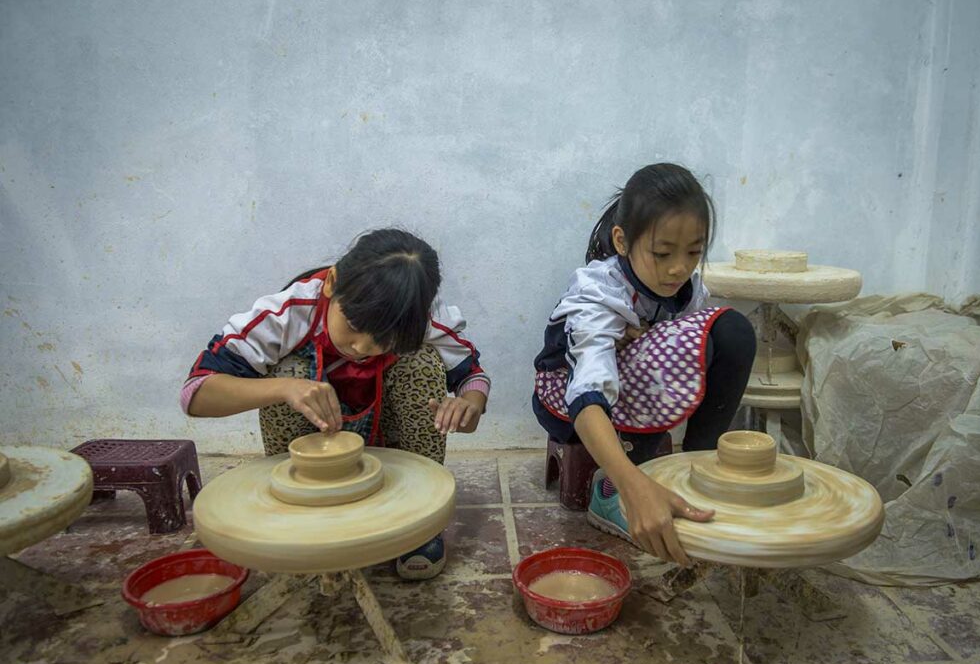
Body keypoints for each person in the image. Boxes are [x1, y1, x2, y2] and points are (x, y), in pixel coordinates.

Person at [183, 228, 490, 579]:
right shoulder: (288, 314)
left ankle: (417, 526)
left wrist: (470, 405)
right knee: (288, 370)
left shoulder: (417, 319)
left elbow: (472, 376)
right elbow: (196, 393)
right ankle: (304, 512)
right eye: (354, 326)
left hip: (390, 445)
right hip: (313, 448)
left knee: (420, 363)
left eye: (383, 340)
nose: (361, 347)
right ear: (332, 282)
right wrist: (286, 388)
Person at [533, 163, 756, 565]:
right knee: (690, 343)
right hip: (567, 402)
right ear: (622, 240)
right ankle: (609, 491)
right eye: (662, 253)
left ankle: (696, 464)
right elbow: (587, 391)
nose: (679, 268)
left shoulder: (687, 288)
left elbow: (699, 346)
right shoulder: (596, 293)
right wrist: (633, 486)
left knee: (730, 331)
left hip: (632, 387)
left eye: (694, 252)